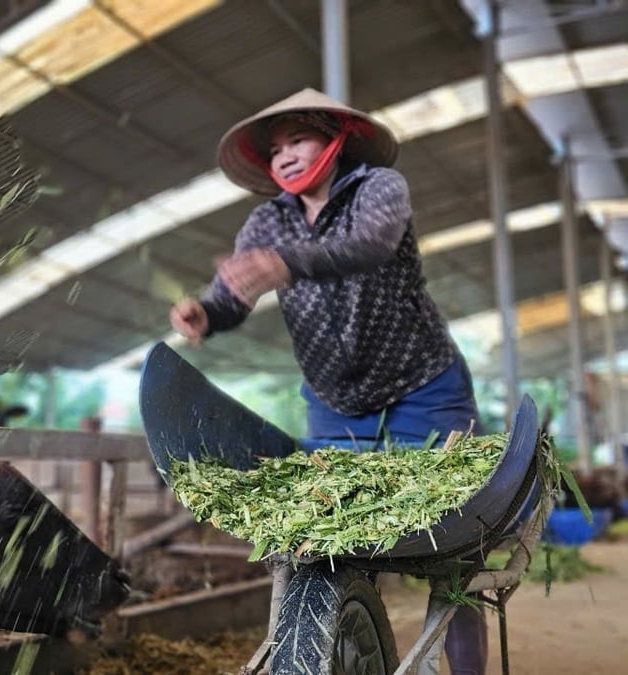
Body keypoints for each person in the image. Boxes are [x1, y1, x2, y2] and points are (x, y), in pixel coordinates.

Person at [169, 88, 486, 674]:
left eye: (299, 140)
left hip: (423, 386)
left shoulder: (378, 189)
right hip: (337, 404)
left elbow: (371, 245)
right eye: (275, 148)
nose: (285, 156)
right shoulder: (265, 220)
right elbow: (234, 293)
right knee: (329, 542)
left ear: (336, 138)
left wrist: (286, 264)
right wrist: (206, 315)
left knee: (454, 549)